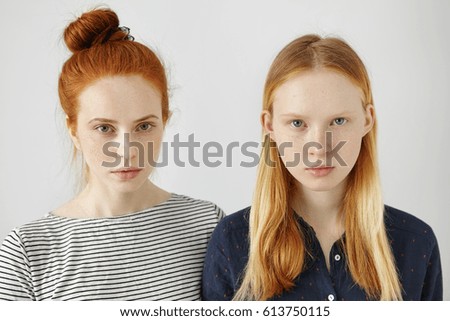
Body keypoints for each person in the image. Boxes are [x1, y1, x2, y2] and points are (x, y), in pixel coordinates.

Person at [0, 8, 224, 301]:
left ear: (164, 121)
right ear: (74, 131)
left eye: (144, 125)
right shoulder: (27, 252)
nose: (127, 150)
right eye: (104, 128)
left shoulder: (206, 224)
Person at [202, 34, 442, 301]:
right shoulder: (232, 242)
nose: (318, 146)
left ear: (367, 119)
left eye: (338, 121)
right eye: (297, 123)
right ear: (269, 126)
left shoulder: (417, 242)